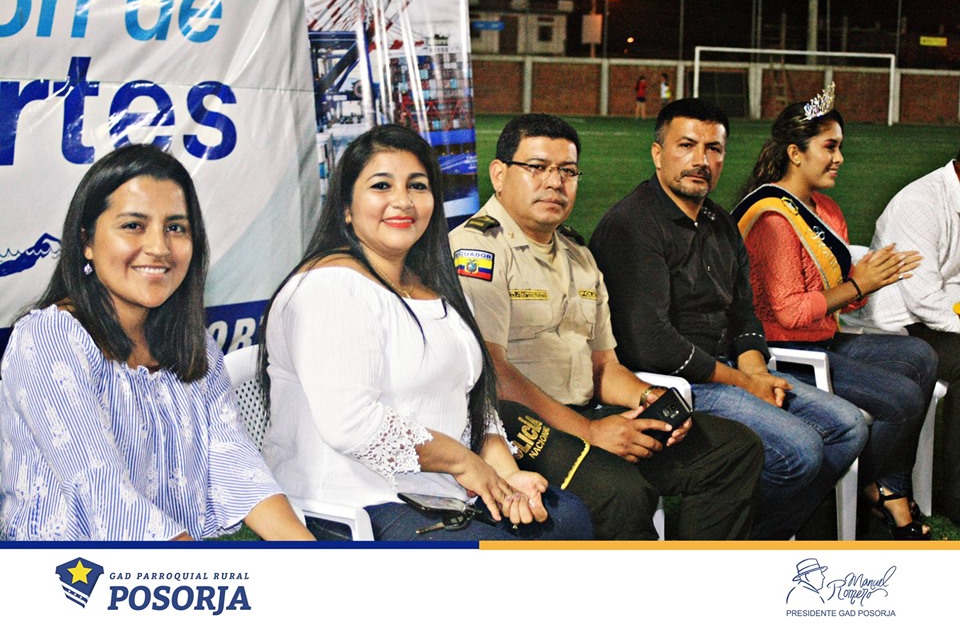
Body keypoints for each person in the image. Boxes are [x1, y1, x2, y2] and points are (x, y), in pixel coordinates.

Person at [257, 124, 592, 541]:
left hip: (443, 495)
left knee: (568, 518)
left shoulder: (435, 287)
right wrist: (464, 462)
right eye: (382, 186)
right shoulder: (329, 287)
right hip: (356, 505)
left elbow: (473, 400)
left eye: (417, 185)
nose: (403, 201)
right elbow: (351, 424)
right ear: (346, 207)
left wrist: (507, 477)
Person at [449, 113, 763, 540]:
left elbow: (604, 367)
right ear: (499, 174)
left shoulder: (578, 255)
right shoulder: (477, 250)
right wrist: (590, 432)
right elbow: (494, 374)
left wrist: (650, 398)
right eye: (537, 167)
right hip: (514, 428)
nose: (555, 183)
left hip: (586, 415)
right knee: (622, 492)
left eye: (567, 171)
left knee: (731, 449)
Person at [0, 144, 314, 542]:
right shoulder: (50, 339)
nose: (159, 247)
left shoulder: (194, 343)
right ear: (86, 241)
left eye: (176, 228)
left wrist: (307, 557)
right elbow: (105, 496)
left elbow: (234, 464)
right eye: (134, 225)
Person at [589, 98, 868, 540]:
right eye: (686, 145)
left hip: (731, 372)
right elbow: (652, 343)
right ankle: (735, 540)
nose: (701, 160)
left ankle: (757, 536)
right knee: (800, 450)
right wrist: (744, 382)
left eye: (714, 149)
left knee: (848, 428)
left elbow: (743, 312)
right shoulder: (632, 225)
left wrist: (756, 371)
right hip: (674, 384)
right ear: (658, 154)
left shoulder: (720, 223)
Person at [732, 85, 937, 540]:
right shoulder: (773, 219)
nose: (839, 158)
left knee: (922, 356)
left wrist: (865, 283)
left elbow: (840, 293)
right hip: (783, 352)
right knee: (902, 398)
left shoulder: (825, 208)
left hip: (823, 340)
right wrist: (858, 284)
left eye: (840, 146)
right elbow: (788, 312)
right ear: (795, 153)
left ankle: (881, 486)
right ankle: (883, 496)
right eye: (829, 147)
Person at [853, 151, 960, 526]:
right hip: (899, 325)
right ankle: (956, 498)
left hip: (940, 317)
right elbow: (924, 300)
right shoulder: (920, 202)